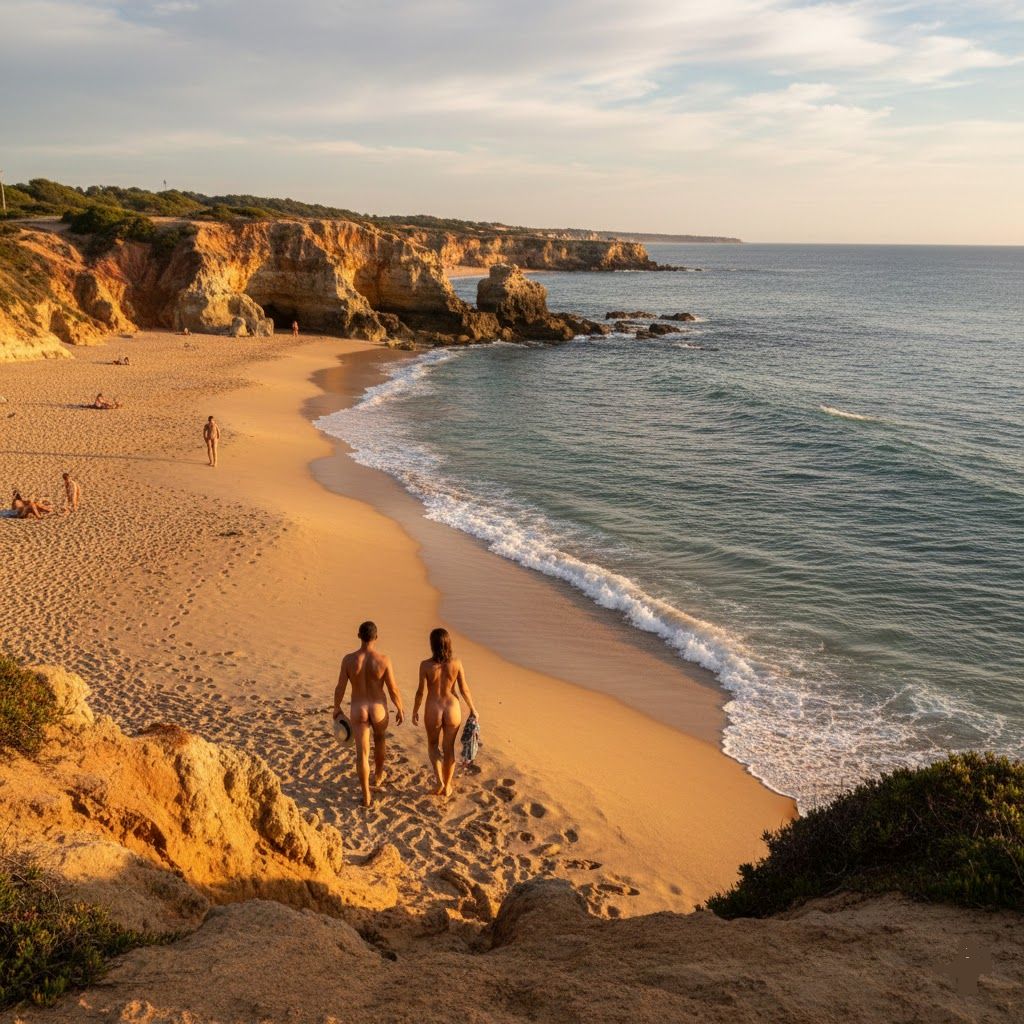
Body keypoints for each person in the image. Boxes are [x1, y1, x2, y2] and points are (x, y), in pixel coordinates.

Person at [333, 621, 405, 807]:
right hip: (378, 707)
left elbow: (340, 687)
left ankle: (366, 796)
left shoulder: (348, 660)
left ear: (359, 636)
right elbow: (393, 689)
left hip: (358, 709)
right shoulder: (384, 660)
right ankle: (379, 776)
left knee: (362, 753)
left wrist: (336, 707)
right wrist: (399, 708)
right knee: (380, 740)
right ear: (376, 637)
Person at [413, 627, 478, 798]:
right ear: (448, 644)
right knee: (448, 748)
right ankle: (448, 786)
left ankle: (439, 781)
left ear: (432, 645)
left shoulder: (425, 665)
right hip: (452, 707)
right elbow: (464, 689)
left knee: (433, 746)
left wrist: (415, 710)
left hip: (433, 707)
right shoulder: (456, 663)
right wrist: (473, 709)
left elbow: (420, 691)